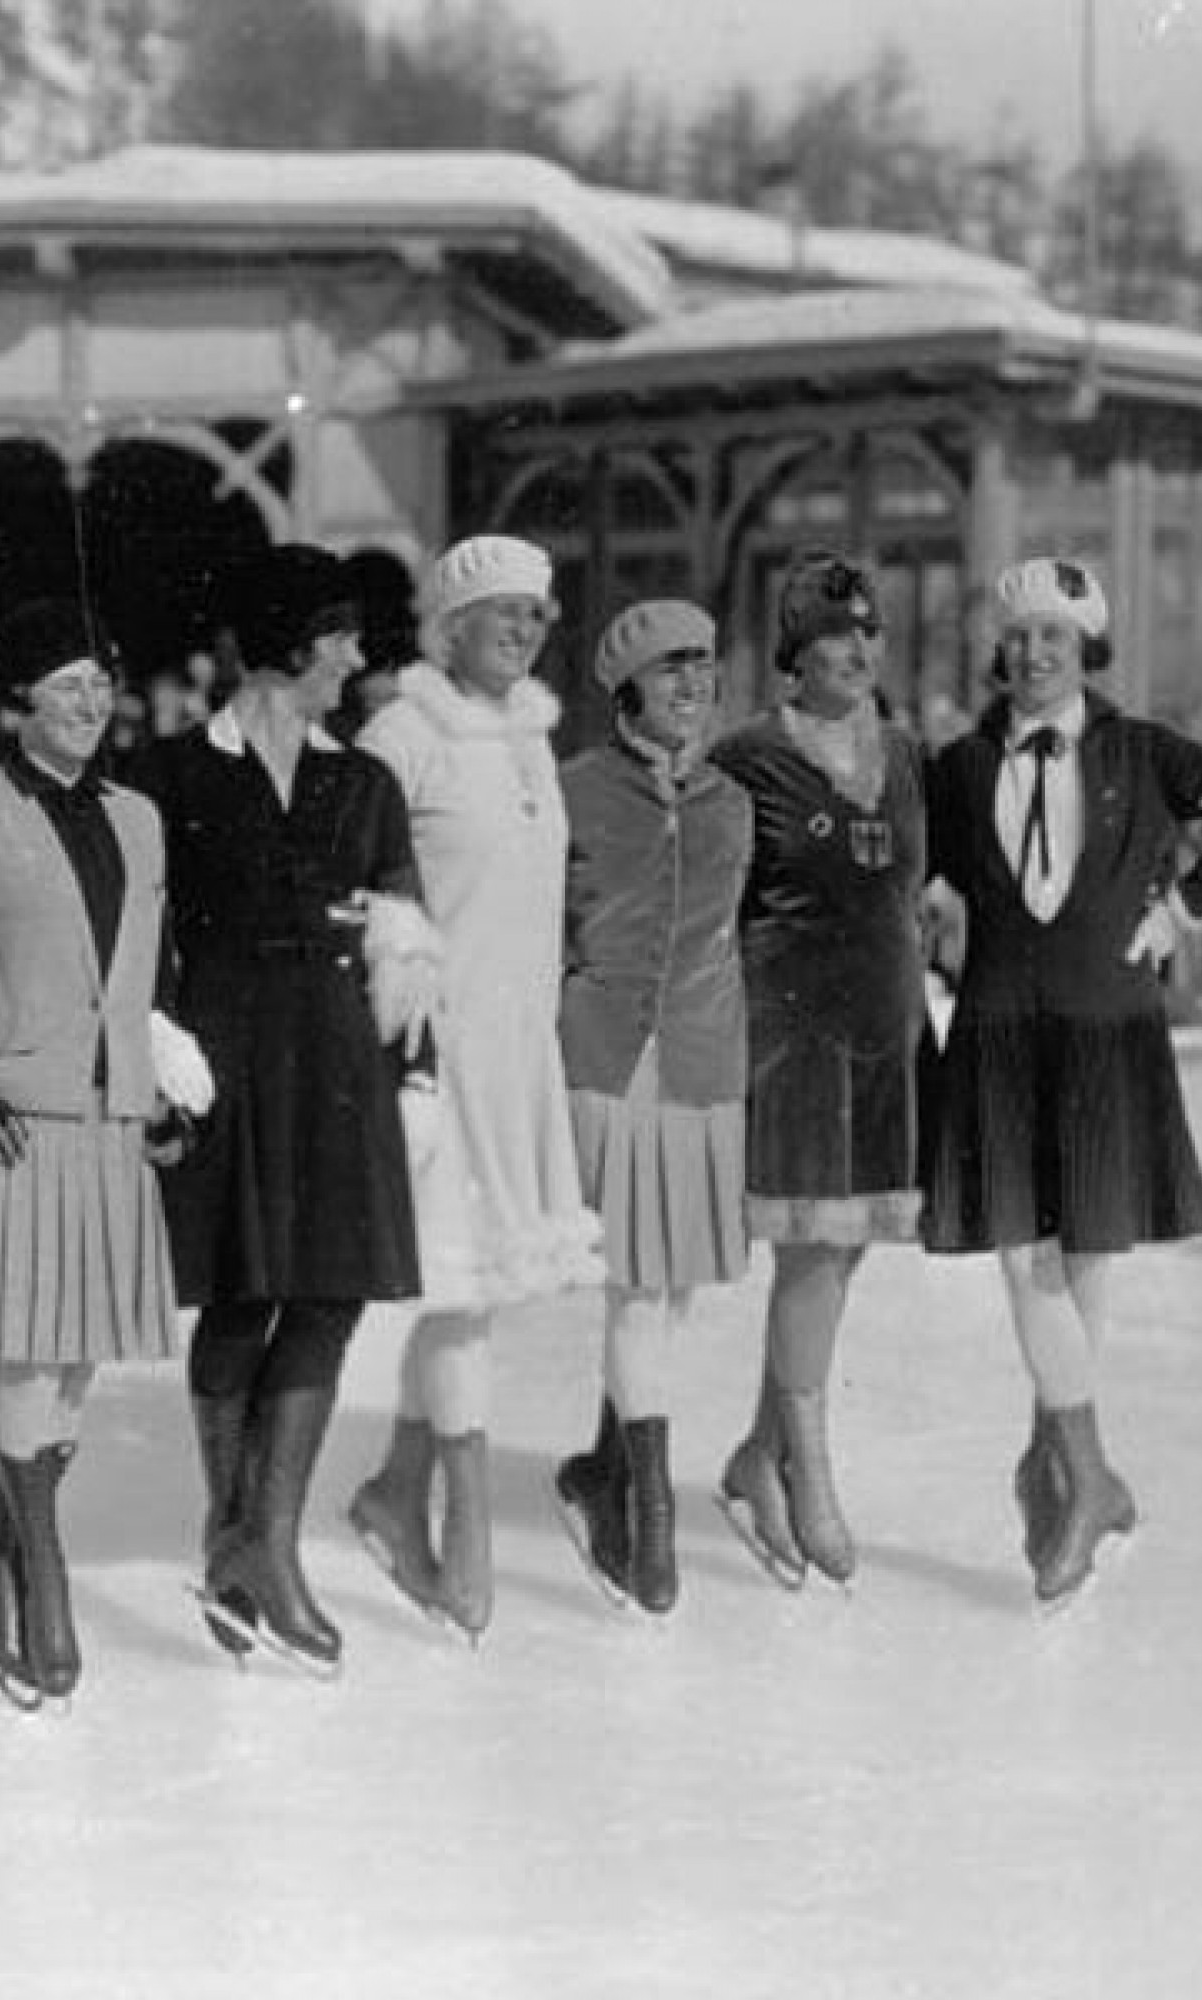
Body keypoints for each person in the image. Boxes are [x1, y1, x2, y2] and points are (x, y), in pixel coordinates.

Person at [920, 558, 1202, 1603]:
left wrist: (1182, 904)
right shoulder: (956, 766)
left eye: (1053, 635)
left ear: (1084, 645)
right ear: (999, 649)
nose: (1032, 652)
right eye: (1017, 636)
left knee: (1084, 1257)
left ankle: (1065, 1469)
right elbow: (908, 863)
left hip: (1103, 1028)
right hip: (996, 1028)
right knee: (1017, 1256)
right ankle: (1087, 1474)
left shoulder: (1139, 750)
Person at [141, 544, 436, 1675]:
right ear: (294, 641)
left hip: (333, 1057)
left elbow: (404, 921)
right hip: (218, 1052)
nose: (358, 659)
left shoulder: (362, 781)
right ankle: (242, 1546)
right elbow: (139, 925)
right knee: (236, 1291)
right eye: (343, 636)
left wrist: (398, 948)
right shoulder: (170, 775)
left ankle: (262, 1543)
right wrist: (158, 1045)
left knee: (326, 1292)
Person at [0, 599, 210, 1703]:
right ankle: (42, 1576)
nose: (94, 700)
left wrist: (165, 1080)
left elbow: (151, 972)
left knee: (78, 1354)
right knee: (27, 1354)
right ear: (18, 700)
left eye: (104, 682)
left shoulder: (137, 820)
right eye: (70, 683)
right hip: (15, 1116)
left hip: (111, 1122)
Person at [347, 534, 602, 1642]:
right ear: (447, 623)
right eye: (500, 610)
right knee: (455, 1285)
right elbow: (357, 893)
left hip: (518, 1053)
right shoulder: (399, 736)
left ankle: (394, 1491)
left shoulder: (533, 735)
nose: (523, 628)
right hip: (435, 1051)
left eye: (537, 614)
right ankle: (466, 1530)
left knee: (477, 1284)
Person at [709, 550, 926, 1591]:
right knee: (812, 1253)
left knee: (839, 1257)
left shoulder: (907, 751)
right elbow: (705, 893)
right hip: (788, 1037)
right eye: (829, 634)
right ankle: (807, 1467)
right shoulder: (746, 756)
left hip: (883, 1034)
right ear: (792, 650)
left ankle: (757, 1455)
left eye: (865, 631)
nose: (853, 649)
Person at [553, 600, 753, 1615]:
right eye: (670, 668)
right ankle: (649, 1515)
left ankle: (600, 1465)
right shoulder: (574, 790)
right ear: (625, 685)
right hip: (606, 1063)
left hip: (703, 1065)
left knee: (665, 1289)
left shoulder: (729, 801)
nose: (691, 684)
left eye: (703, 667)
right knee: (636, 1287)